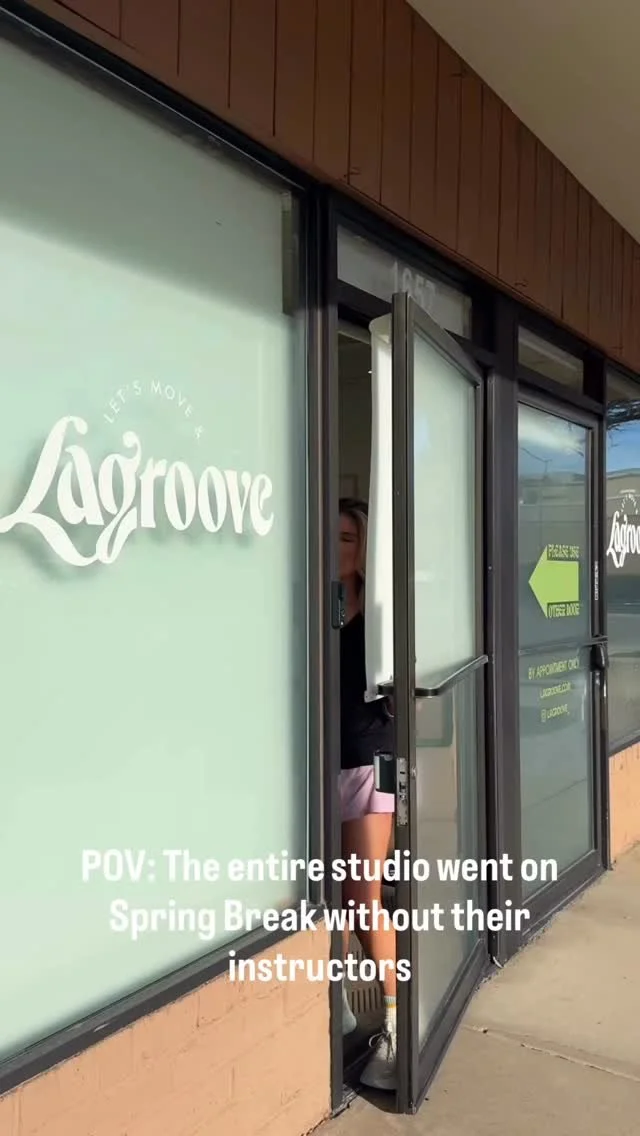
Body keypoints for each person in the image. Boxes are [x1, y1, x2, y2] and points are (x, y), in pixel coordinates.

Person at [338, 497, 397, 1092]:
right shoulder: (315, 604)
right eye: (329, 537)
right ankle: (340, 1011)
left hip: (368, 763)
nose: (336, 548)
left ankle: (397, 1024)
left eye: (347, 539)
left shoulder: (379, 615)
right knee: (325, 897)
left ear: (363, 551)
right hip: (313, 768)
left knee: (362, 898)